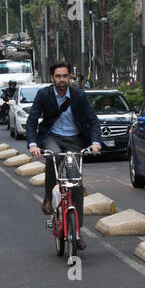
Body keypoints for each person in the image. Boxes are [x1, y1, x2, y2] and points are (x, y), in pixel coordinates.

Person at [27, 62, 101, 250]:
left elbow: (92, 120)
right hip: (53, 137)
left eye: (65, 76)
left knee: (77, 184)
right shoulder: (43, 94)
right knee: (55, 156)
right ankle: (47, 196)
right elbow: (32, 120)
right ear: (52, 78)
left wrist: (95, 142)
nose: (62, 80)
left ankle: (77, 232)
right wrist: (33, 144)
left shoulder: (79, 96)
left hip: (74, 139)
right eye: (58, 76)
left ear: (70, 77)